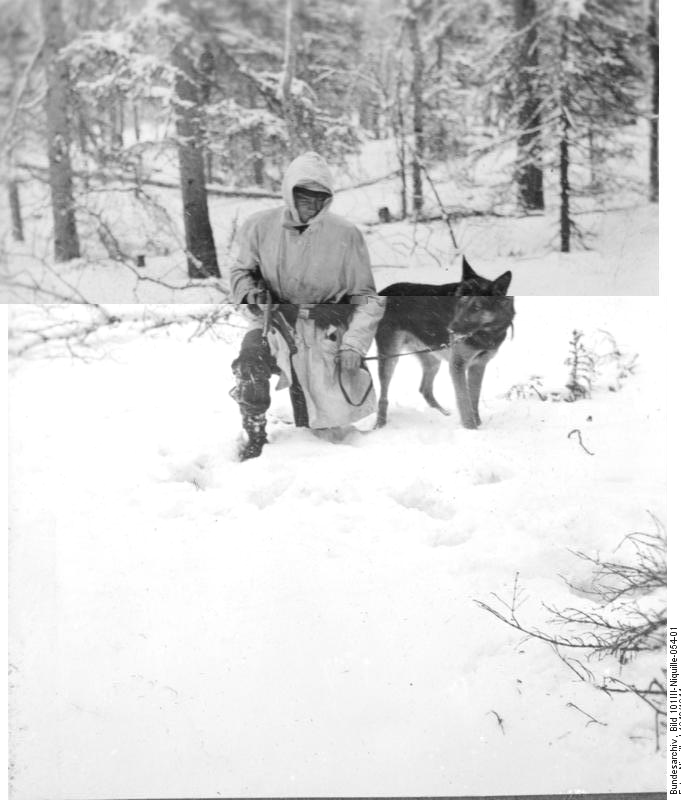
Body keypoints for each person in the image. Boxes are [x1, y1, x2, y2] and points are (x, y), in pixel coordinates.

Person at [230, 151, 385, 460]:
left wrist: (354, 344)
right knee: (250, 360)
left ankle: (315, 448)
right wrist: (252, 294)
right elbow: (240, 272)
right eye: (304, 196)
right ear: (290, 192)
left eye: (319, 199)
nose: (311, 206)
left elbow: (367, 298)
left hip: (324, 329)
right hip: (276, 324)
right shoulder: (258, 226)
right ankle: (255, 433)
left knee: (319, 422)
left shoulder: (346, 235)